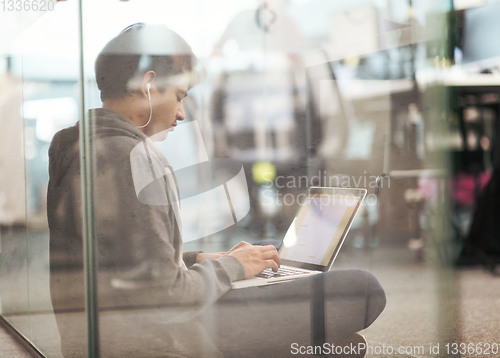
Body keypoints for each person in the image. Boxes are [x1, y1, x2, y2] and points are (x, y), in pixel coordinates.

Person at [47, 23, 385, 357]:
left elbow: (120, 265)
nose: (181, 113)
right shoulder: (135, 157)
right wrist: (233, 267)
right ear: (149, 84)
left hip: (107, 337)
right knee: (361, 288)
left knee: (342, 346)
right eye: (179, 96)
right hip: (163, 339)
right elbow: (167, 297)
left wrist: (198, 259)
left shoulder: (79, 146)